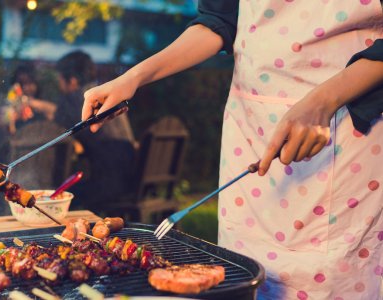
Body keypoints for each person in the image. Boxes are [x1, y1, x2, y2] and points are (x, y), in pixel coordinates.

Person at [81, 2, 383, 299]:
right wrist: (132, 78)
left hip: (342, 135)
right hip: (250, 129)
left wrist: (324, 101)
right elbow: (218, 19)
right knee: (241, 275)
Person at [54, 50, 137, 209]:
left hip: (109, 183)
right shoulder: (106, 94)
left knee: (60, 193)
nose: (59, 86)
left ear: (72, 81)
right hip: (130, 178)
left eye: (59, 80)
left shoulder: (76, 99)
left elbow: (57, 129)